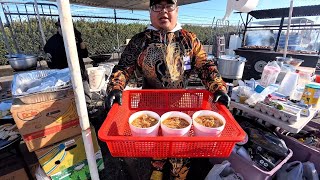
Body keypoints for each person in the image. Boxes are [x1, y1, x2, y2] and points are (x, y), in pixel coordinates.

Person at [105, 0, 230, 179]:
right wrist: (115, 87)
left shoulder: (189, 39)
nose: (163, 11)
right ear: (150, 12)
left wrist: (218, 88)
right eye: (157, 6)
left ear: (176, 10)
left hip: (181, 105)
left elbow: (205, 65)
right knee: (155, 139)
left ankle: (178, 172)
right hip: (149, 105)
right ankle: (157, 166)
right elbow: (124, 67)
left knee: (180, 143)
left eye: (169, 6)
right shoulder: (140, 41)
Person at [44, 20, 92, 106]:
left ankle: (88, 108)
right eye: (63, 28)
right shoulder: (51, 42)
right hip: (63, 77)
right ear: (58, 28)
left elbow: (85, 54)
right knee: (69, 100)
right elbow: (50, 63)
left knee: (85, 95)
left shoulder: (74, 39)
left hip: (80, 72)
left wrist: (80, 40)